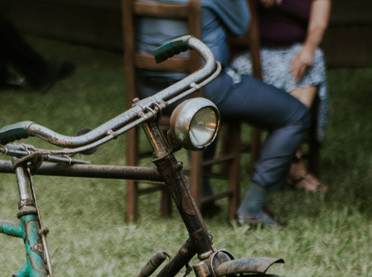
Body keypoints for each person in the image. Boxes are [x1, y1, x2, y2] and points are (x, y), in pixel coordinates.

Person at [136, 0, 312, 227]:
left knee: (210, 106)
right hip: (201, 89)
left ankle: (204, 194)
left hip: (151, 92)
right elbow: (241, 27)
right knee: (296, 115)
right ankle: (252, 209)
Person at [232, 0, 331, 192]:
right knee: (290, 73)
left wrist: (308, 49)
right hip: (252, 54)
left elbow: (319, 22)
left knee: (315, 58)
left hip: (294, 53)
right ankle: (291, 162)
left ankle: (285, 152)